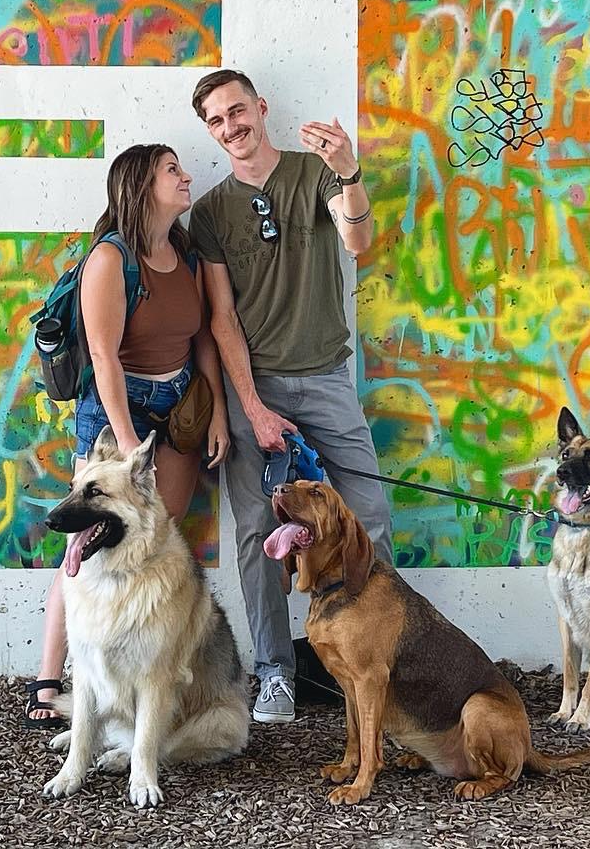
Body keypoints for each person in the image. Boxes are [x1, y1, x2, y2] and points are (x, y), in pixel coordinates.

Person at [186, 69, 394, 725]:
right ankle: (276, 673)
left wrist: (351, 171)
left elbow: (357, 239)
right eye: (216, 121)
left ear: (260, 107)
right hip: (260, 388)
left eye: (236, 111)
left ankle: (382, 661)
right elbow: (222, 319)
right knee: (256, 533)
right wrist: (252, 407)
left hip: (329, 377)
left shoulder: (314, 172)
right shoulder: (211, 212)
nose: (230, 127)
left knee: (371, 516)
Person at [24, 144, 231, 727]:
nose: (186, 176)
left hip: (180, 407)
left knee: (154, 544)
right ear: (141, 186)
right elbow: (103, 356)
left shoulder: (185, 254)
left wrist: (214, 410)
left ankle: (147, 676)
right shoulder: (111, 260)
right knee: (88, 551)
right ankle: (50, 678)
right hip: (118, 414)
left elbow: (204, 340)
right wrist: (129, 452)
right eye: (173, 169)